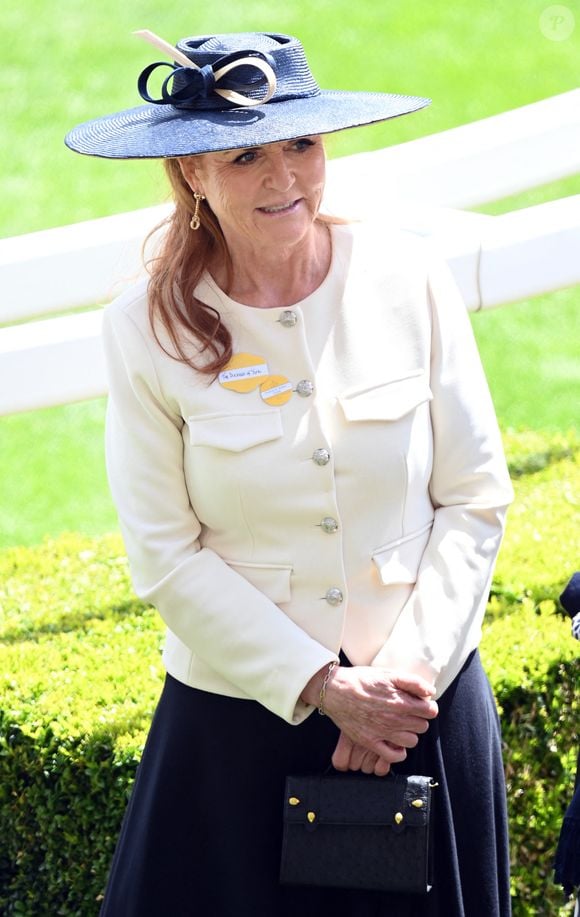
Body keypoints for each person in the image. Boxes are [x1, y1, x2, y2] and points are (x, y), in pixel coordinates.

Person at [66, 30, 514, 917]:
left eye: (302, 145)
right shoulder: (143, 328)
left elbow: (473, 497)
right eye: (245, 156)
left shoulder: (409, 275)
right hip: (239, 732)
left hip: (418, 711)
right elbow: (166, 554)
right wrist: (322, 686)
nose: (285, 179)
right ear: (193, 172)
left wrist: (405, 684)